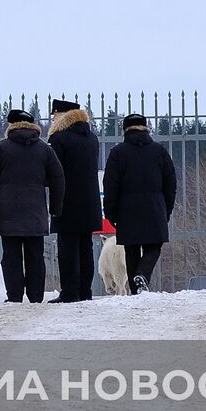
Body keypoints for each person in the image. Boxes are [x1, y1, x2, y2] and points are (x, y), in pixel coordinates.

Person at [0, 109, 65, 303]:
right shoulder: (44, 149)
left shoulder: (1, 149)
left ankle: (14, 296)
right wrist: (55, 207)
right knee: (35, 256)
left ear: (11, 126)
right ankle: (35, 296)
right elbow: (58, 178)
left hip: (8, 213)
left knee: (11, 257)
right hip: (36, 212)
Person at [102, 113, 177, 294]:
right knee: (154, 246)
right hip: (154, 208)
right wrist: (166, 209)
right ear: (146, 128)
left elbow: (110, 185)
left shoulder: (118, 153)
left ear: (125, 130)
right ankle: (142, 275)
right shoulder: (160, 152)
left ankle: (137, 290)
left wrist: (110, 212)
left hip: (127, 211)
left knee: (132, 249)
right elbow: (171, 183)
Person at [47, 99, 102, 302]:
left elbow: (52, 170)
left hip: (67, 201)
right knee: (85, 247)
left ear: (62, 114)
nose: (53, 117)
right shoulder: (91, 138)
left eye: (55, 113)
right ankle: (85, 291)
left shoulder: (59, 139)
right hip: (89, 201)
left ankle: (70, 292)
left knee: (68, 248)